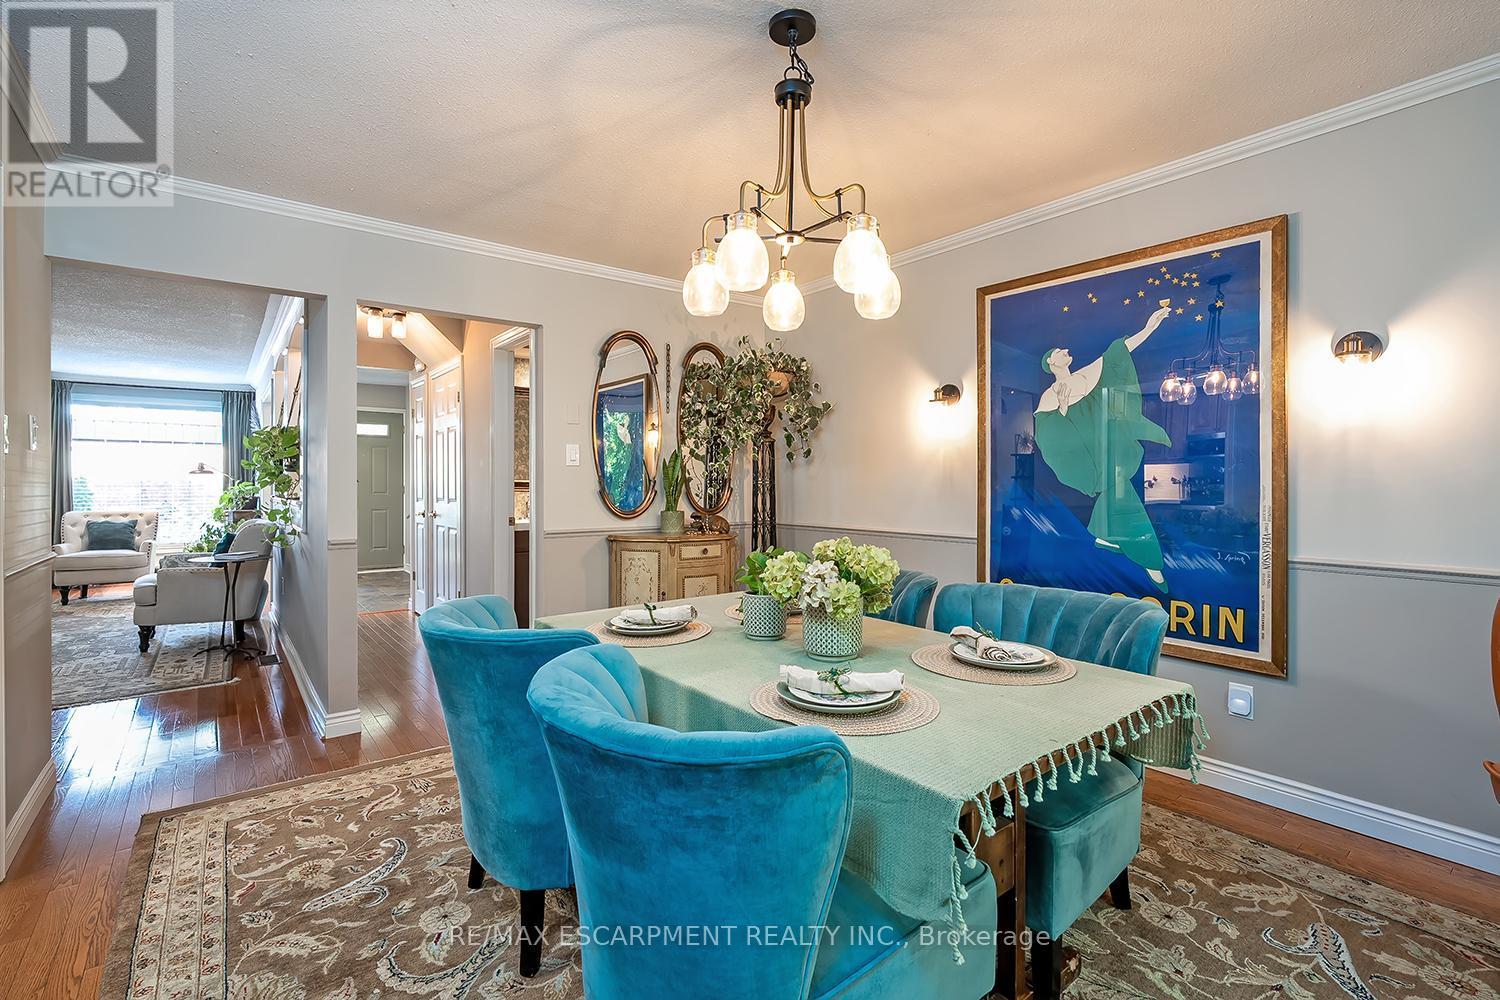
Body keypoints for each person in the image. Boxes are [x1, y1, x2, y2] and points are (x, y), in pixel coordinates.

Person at [1033, 302, 1173, 590]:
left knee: (1120, 495)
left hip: (1111, 449)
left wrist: (1149, 328)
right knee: (1126, 499)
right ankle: (1150, 561)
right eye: (1059, 352)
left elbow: (1117, 355)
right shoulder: (1050, 394)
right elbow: (1050, 435)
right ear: (1051, 362)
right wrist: (1061, 407)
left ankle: (1104, 534)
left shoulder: (1085, 374)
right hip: (1089, 459)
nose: (1065, 351)